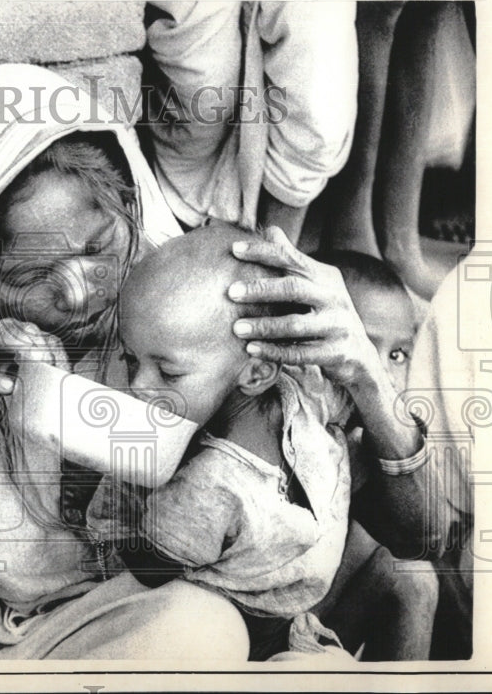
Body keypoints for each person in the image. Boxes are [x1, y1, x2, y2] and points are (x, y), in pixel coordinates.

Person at [0, 65, 454, 661]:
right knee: (202, 628)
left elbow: (425, 538)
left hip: (248, 636)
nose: (78, 292)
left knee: (397, 585)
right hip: (72, 649)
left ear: (129, 203)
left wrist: (366, 378)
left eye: (99, 246)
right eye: (30, 276)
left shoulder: (205, 317)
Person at [85, 224, 444, 661]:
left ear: (259, 372)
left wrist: (369, 376)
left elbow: (428, 535)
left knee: (413, 574)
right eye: (131, 361)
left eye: (167, 372)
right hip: (230, 642)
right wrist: (132, 497)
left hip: (293, 615)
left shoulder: (304, 394)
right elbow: (147, 569)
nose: (137, 387)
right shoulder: (204, 481)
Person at [309, 250, 440, 660]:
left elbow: (426, 539)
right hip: (254, 632)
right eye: (362, 347)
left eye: (397, 355)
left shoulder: (375, 436)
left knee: (416, 577)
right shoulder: (280, 420)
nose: (378, 370)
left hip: (314, 624)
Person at [144, 2, 358, 241]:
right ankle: (193, 217)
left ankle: (276, 246)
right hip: (189, 163)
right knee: (204, 87)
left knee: (316, 83)